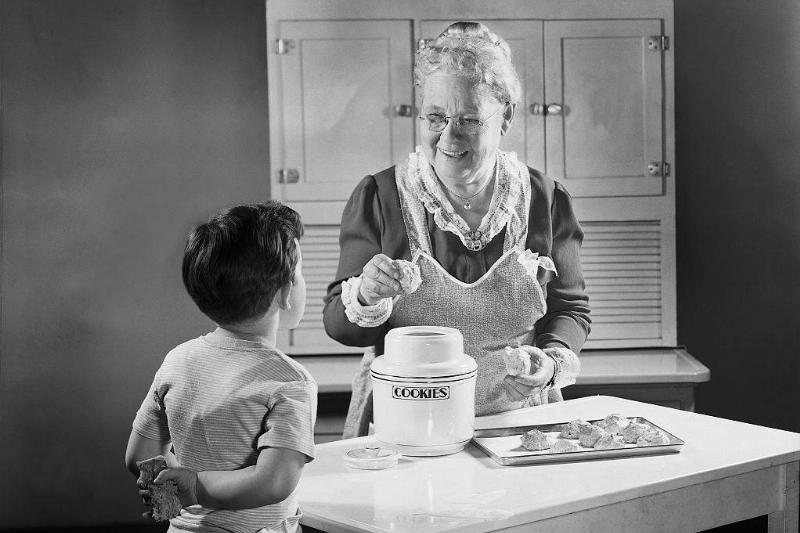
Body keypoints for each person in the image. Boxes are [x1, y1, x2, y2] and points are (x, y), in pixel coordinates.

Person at [323, 22, 591, 438]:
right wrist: (368, 293)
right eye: (435, 117)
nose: (448, 135)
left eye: (468, 119)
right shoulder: (382, 196)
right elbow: (342, 328)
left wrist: (551, 360)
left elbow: (570, 310)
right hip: (406, 428)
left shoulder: (545, 200)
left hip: (519, 427)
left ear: (505, 118)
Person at [124, 201, 316, 533]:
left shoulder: (178, 361)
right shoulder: (289, 381)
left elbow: (139, 457)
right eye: (299, 273)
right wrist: (195, 486)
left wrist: (171, 497)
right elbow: (275, 482)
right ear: (285, 293)